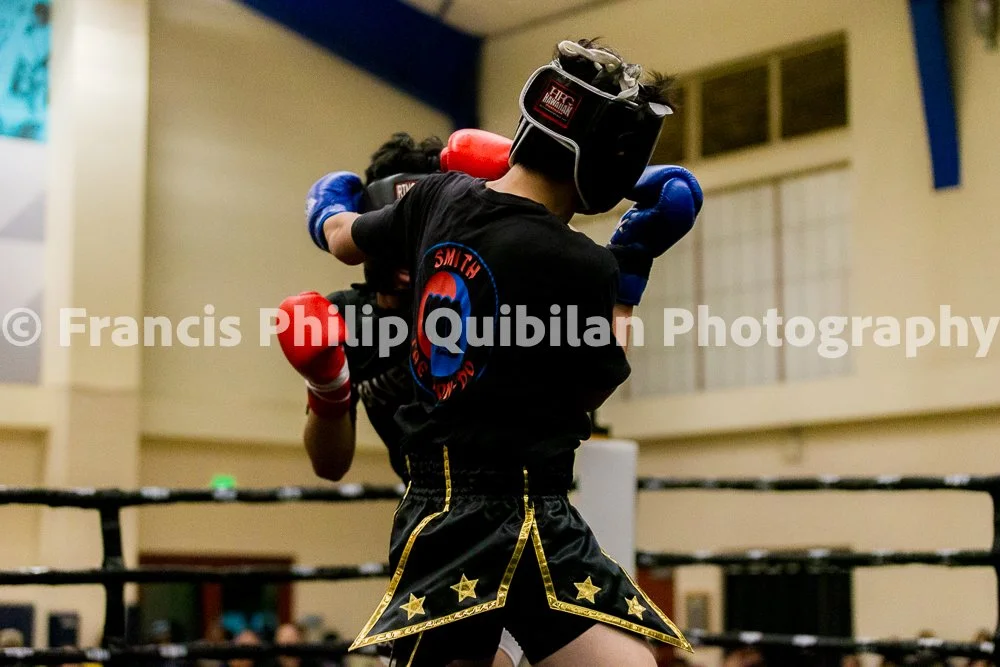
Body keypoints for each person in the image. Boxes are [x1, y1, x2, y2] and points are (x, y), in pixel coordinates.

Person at [309, 38, 701, 666]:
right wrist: (631, 267)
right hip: (485, 516)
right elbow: (595, 385)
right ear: (610, 158)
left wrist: (325, 206)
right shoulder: (579, 263)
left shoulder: (437, 197)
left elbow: (341, 240)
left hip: (482, 511)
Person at [278, 131, 520, 667]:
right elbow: (330, 464)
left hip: (513, 509)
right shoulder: (348, 320)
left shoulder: (483, 298)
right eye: (395, 229)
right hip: (429, 522)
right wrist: (326, 384)